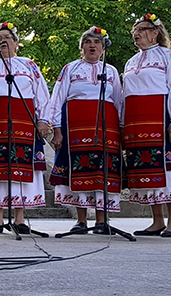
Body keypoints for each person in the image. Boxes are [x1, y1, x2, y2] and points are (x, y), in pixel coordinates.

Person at [0, 22, 51, 233]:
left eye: (7, 37)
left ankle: (19, 217)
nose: (3, 41)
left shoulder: (28, 64)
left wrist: (43, 120)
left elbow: (41, 92)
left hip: (23, 120)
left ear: (16, 43)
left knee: (22, 167)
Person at [123, 14, 171, 237]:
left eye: (142, 29)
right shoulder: (131, 62)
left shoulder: (168, 56)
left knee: (169, 169)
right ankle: (157, 221)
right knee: (149, 169)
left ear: (155, 32)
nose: (136, 34)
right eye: (134, 31)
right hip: (138, 121)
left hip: (162, 117)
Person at [45, 26, 123, 234]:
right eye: (88, 42)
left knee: (102, 172)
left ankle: (101, 221)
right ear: (81, 48)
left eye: (97, 42)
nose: (92, 45)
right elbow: (57, 99)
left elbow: (118, 102)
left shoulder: (111, 71)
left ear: (103, 48)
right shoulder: (70, 69)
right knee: (79, 169)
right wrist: (57, 130)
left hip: (106, 127)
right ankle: (81, 221)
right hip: (76, 127)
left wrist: (121, 130)